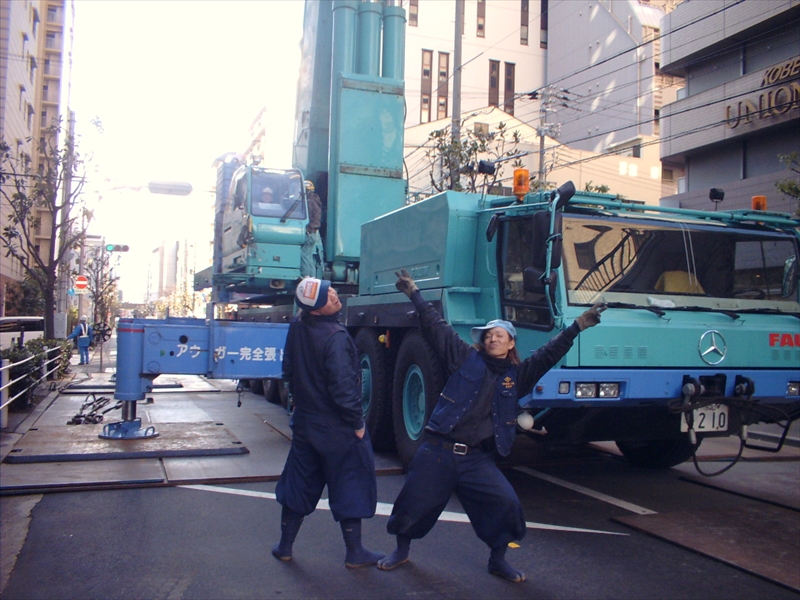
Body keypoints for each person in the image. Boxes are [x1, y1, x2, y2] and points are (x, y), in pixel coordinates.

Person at [377, 269, 606, 582]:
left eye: (500, 334)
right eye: (488, 335)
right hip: (438, 451)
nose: (493, 337)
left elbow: (548, 354)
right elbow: (438, 328)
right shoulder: (463, 359)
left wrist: (577, 326)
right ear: (482, 343)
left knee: (505, 504)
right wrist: (414, 294)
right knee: (413, 504)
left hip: (475, 459)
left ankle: (498, 559)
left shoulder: (517, 377)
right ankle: (401, 551)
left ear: (510, 343)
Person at [273, 277, 385, 568]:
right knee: (349, 483)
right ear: (316, 309)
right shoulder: (335, 337)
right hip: (336, 427)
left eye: (330, 290)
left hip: (306, 423)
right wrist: (357, 423)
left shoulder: (298, 325)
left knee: (299, 482)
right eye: (326, 297)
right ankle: (355, 552)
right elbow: (343, 387)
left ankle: (285, 546)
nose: (334, 296)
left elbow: (287, 369)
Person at [301, 180, 324, 278]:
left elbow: (308, 216)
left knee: (305, 256)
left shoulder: (310, 201)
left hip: (309, 232)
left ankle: (306, 277)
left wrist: (307, 228)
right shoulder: (315, 200)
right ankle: (312, 278)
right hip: (314, 232)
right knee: (309, 257)